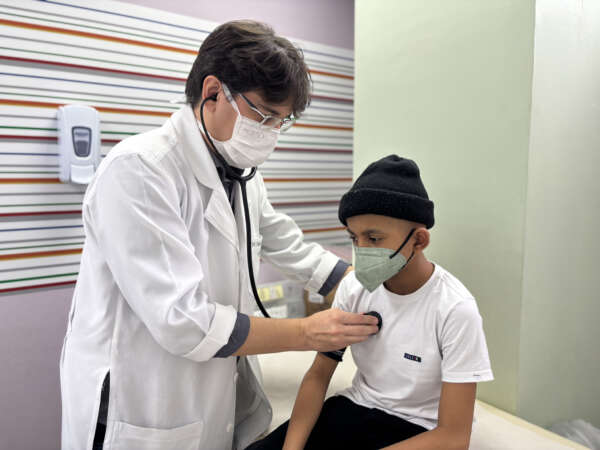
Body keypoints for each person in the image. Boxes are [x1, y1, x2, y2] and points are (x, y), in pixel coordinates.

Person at [59, 20, 378, 450]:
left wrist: (367, 284)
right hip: (138, 404)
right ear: (212, 92)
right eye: (263, 116)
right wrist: (306, 332)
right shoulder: (140, 170)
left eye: (281, 122)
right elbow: (183, 320)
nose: (270, 133)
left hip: (207, 393)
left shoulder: (240, 174)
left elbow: (288, 245)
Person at [248, 155, 494, 450]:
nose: (361, 250)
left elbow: (454, 437)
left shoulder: (454, 309)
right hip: (354, 407)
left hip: (419, 431)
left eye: (374, 239)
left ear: (419, 241)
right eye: (354, 238)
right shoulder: (354, 289)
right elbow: (318, 376)